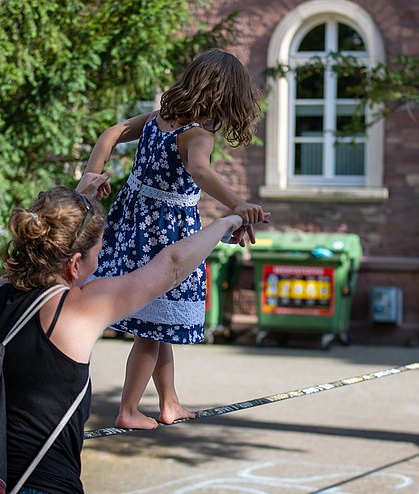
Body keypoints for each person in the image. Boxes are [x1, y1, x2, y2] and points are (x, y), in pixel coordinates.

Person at [0, 173, 246, 493]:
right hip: (39, 483)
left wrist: (80, 200)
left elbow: (51, 245)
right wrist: (230, 219)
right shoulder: (76, 310)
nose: (103, 257)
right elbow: (172, 266)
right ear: (75, 264)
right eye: (100, 251)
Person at [80, 49, 269, 430]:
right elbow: (199, 170)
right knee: (152, 331)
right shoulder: (198, 135)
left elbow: (111, 133)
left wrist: (92, 174)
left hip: (132, 225)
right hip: (165, 237)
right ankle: (129, 409)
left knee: (158, 323)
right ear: (227, 98)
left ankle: (169, 402)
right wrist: (239, 204)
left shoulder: (158, 120)